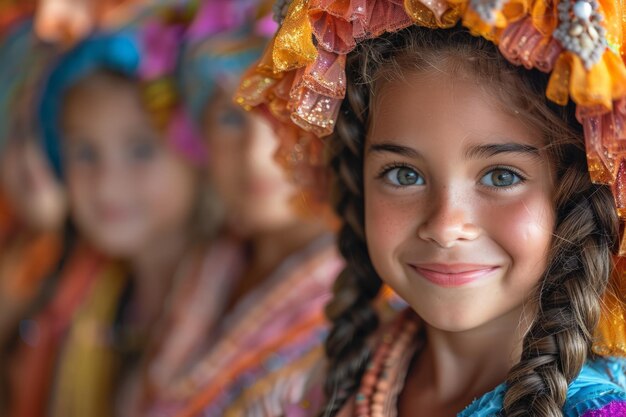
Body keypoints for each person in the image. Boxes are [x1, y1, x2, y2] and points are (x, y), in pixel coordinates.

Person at [237, 0, 626, 415]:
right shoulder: (322, 379)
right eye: (404, 175)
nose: (445, 226)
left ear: (575, 194)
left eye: (502, 176)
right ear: (357, 178)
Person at [6, 10, 217, 416]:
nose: (107, 183)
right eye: (85, 153)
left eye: (141, 149)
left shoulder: (238, 297)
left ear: (197, 153)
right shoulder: (73, 304)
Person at [141, 2, 347, 416]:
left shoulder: (368, 302)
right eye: (231, 120)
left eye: (285, 117)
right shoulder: (208, 267)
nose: (256, 156)